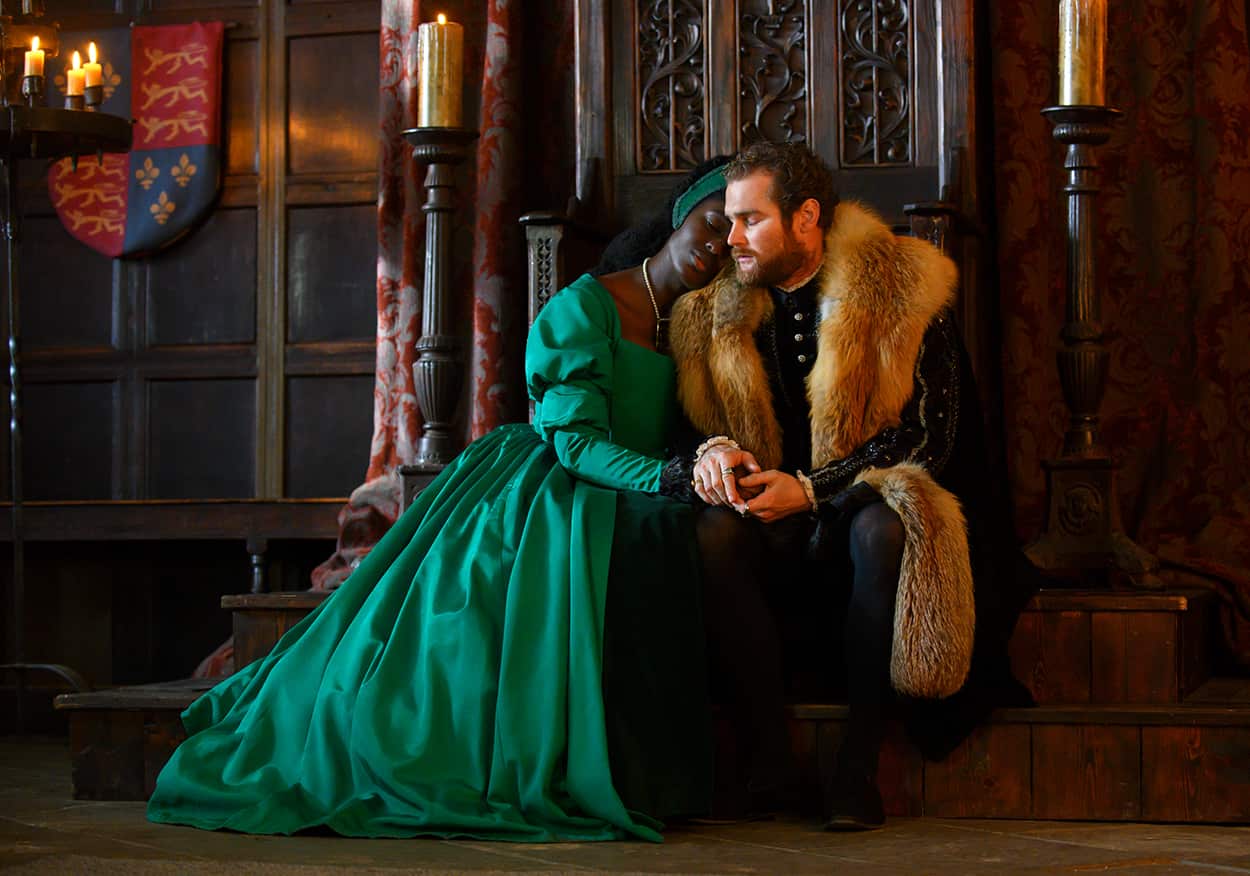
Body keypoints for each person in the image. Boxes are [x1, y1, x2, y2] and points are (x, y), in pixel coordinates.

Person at [147, 158, 733, 842]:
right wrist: (671, 477)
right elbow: (574, 444)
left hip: (630, 477)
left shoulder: (703, 322)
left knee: (670, 537)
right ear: (678, 217)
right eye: (710, 225)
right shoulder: (585, 306)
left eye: (732, 241)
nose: (715, 247)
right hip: (552, 482)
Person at [664, 142, 1037, 830]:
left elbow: (928, 436)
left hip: (855, 521)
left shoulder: (899, 290)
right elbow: (678, 430)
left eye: (751, 220)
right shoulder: (709, 312)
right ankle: (770, 762)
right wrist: (714, 454)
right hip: (768, 528)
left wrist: (811, 490)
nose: (733, 238)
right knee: (709, 534)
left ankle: (857, 770)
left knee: (882, 524)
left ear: (806, 218)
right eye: (730, 221)